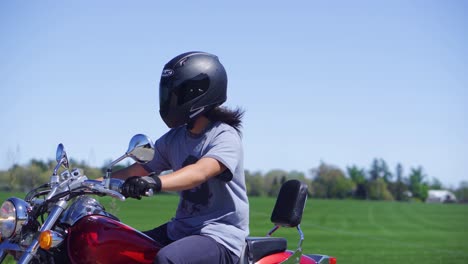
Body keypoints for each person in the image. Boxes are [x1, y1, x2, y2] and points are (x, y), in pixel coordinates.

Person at [113, 51, 249, 264]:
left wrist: (153, 182)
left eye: (176, 94)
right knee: (122, 246)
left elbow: (200, 171)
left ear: (199, 93)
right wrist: (88, 184)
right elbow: (135, 171)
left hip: (219, 237)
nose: (169, 100)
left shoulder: (224, 136)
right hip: (181, 231)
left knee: (168, 259)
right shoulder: (174, 139)